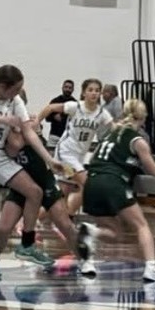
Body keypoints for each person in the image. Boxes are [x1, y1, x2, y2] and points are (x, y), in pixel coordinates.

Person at [0, 65, 57, 278]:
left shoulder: (14, 101)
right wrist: (1, 119)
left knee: (35, 192)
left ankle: (27, 245)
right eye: (15, 89)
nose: (18, 93)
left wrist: (49, 159)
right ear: (4, 86)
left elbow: (28, 132)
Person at [76, 99, 155, 281]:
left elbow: (94, 159)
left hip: (92, 182)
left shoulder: (109, 135)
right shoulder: (137, 140)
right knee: (141, 225)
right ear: (143, 117)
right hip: (113, 182)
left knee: (113, 232)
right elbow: (154, 170)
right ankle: (151, 267)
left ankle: (89, 241)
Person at [0, 115, 80, 276]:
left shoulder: (34, 138)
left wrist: (23, 126)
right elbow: (13, 148)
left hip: (45, 184)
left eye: (33, 119)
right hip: (21, 186)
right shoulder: (11, 137)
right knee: (3, 228)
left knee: (65, 224)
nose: (30, 120)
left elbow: (26, 134)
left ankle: (82, 259)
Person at [36, 79, 113, 217]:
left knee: (61, 194)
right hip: (65, 153)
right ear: (84, 92)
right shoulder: (75, 106)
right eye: (90, 90)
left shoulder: (102, 113)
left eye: (97, 90)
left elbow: (115, 127)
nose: (94, 93)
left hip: (79, 157)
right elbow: (51, 108)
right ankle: (69, 215)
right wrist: (36, 121)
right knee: (87, 183)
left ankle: (32, 220)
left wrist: (127, 129)